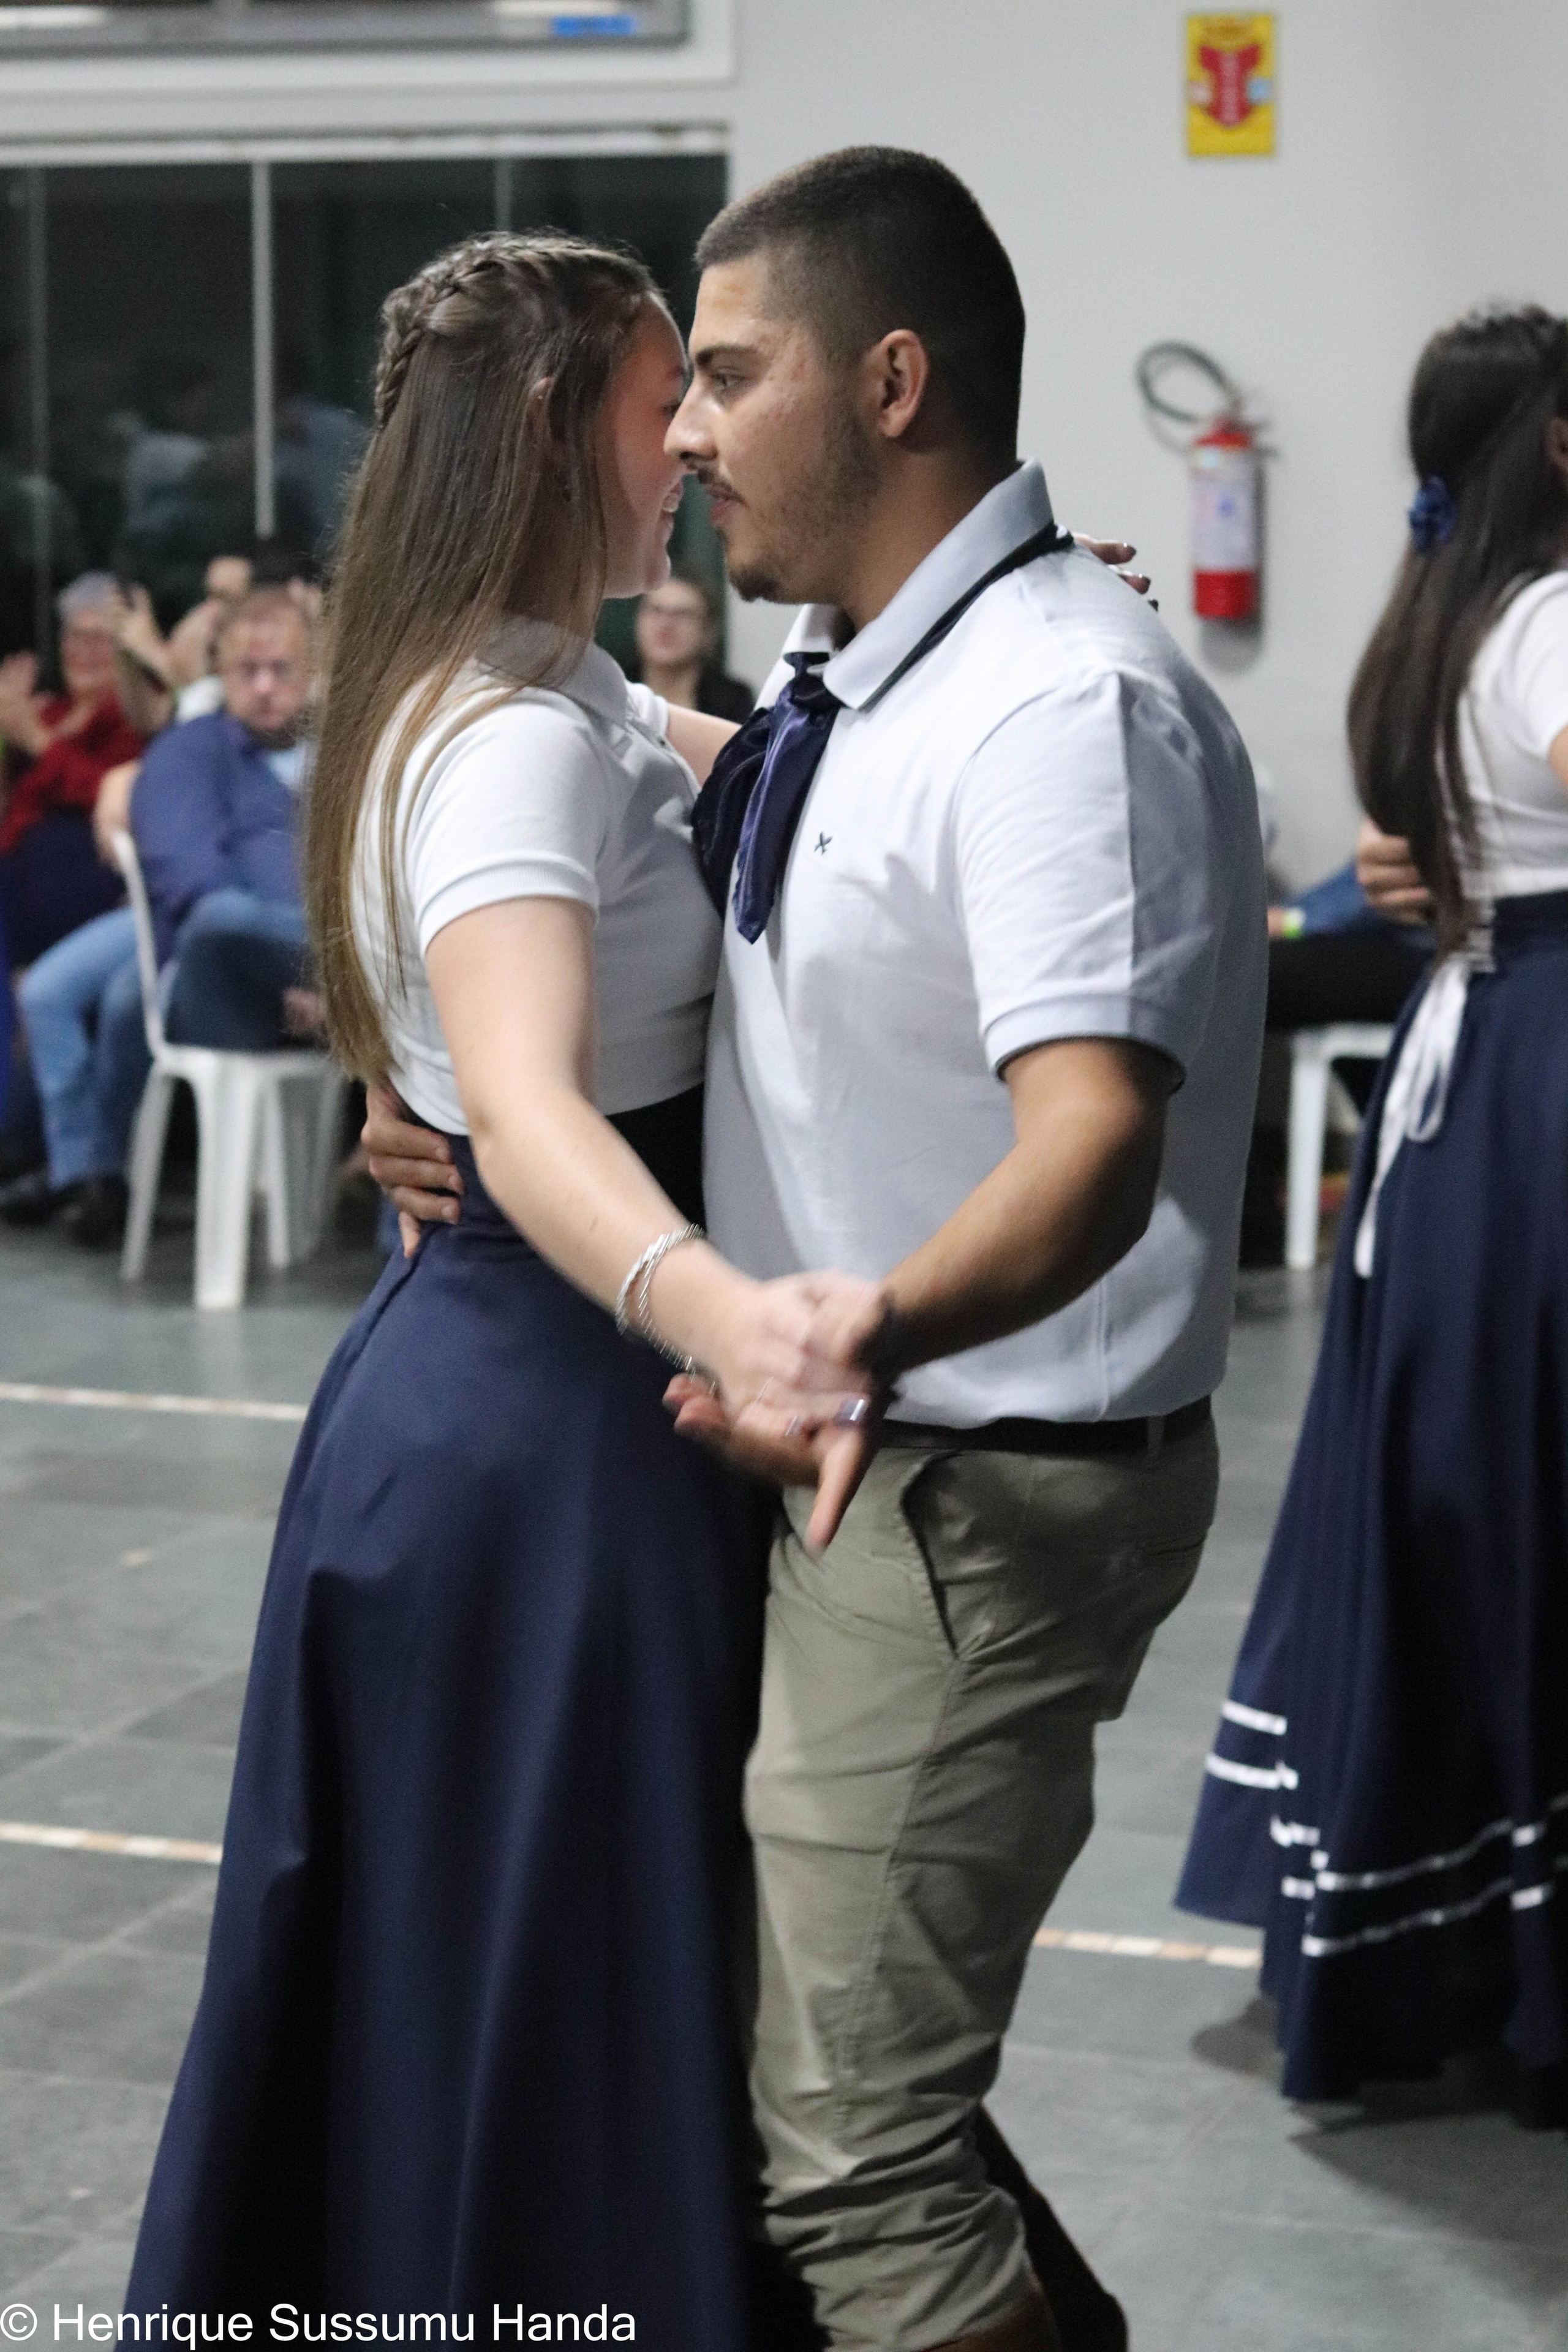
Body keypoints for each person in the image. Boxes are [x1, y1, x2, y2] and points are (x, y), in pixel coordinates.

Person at [376, 149, 1267, 2352]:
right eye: (664, 393)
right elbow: (585, 839)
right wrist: (411, 1076)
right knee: (826, 2057)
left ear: (890, 384)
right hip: (836, 1436)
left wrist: (853, 1325)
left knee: (856, 2149)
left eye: (728, 375)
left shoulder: (1050, 699)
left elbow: (1090, 1142)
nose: (685, 432)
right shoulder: (853, 664)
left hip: (956, 1465)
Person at [126, 232, 878, 2342]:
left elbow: (788, 765)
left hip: (490, 1401)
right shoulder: (514, 736)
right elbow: (531, 1109)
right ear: (559, 428)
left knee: (502, 1987)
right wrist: (736, 1320)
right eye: (667, 396)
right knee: (563, 1993)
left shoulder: (539, 685)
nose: (699, 437)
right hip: (558, 1419)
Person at [1178, 304, 1568, 2128]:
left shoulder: (1442, 617)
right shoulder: (1545, 616)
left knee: (1472, 1499)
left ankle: (1456, 1934)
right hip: (1529, 1069)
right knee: (1516, 1505)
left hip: (1465, 1081)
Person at [1, 587, 318, 1244]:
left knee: (127, 994)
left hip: (304, 970)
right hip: (213, 961)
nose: (264, 687)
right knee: (110, 978)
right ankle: (87, 1173)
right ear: (221, 673)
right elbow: (196, 885)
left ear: (313, 670)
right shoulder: (190, 748)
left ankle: (93, 1172)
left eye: (281, 670)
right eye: (247, 671)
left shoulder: (345, 755)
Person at [0, 571, 145, 968]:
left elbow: (111, 794)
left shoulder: (130, 720)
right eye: (75, 637)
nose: (85, 651)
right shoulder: (48, 712)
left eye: (99, 639)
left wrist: (37, 741)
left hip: (86, 900)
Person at [632, 568, 755, 719]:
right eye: (656, 610)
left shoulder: (733, 701)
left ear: (707, 630)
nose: (665, 624)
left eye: (682, 614)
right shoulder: (614, 688)